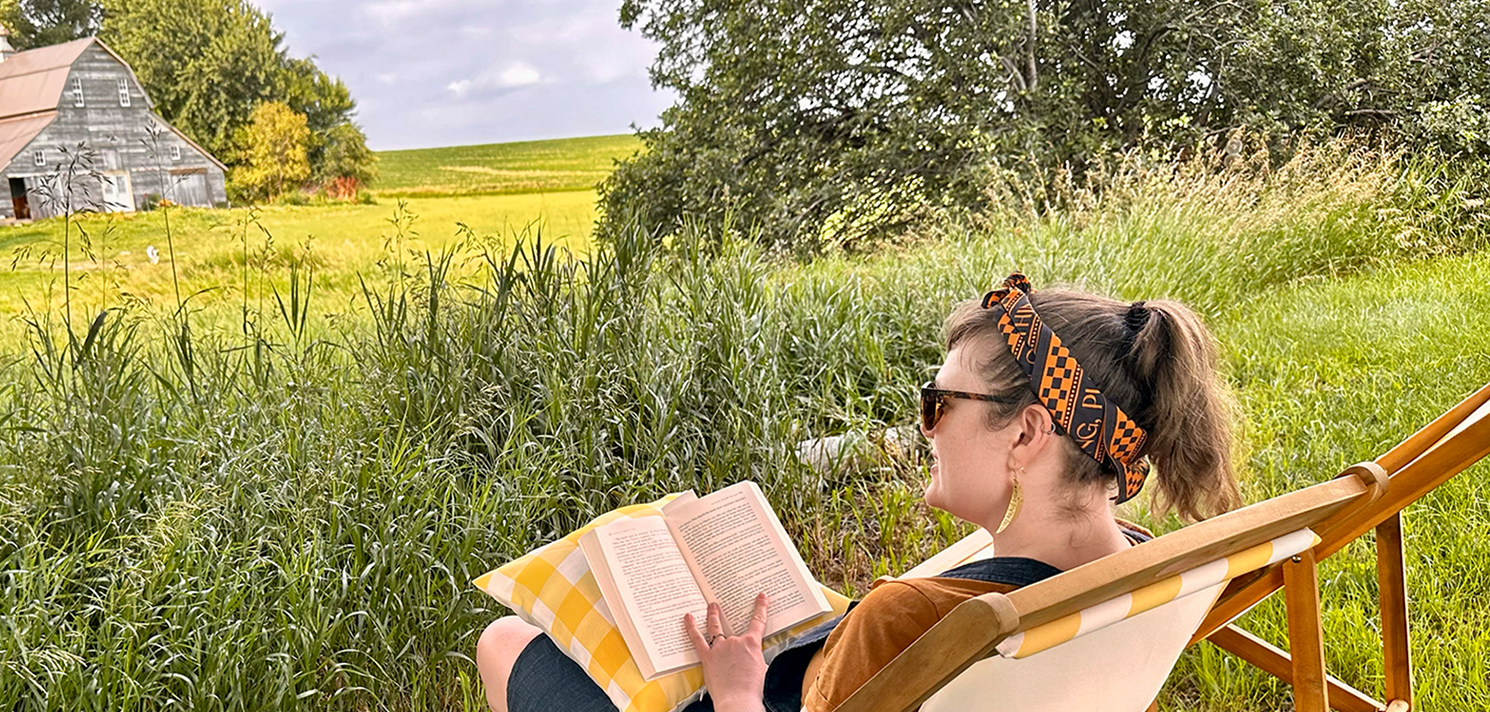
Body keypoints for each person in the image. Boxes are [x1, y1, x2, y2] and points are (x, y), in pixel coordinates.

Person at [474, 274, 1242, 712]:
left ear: (1026, 434)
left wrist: (738, 692)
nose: (926, 427)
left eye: (940, 403)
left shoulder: (914, 616)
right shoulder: (1145, 563)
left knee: (507, 640)